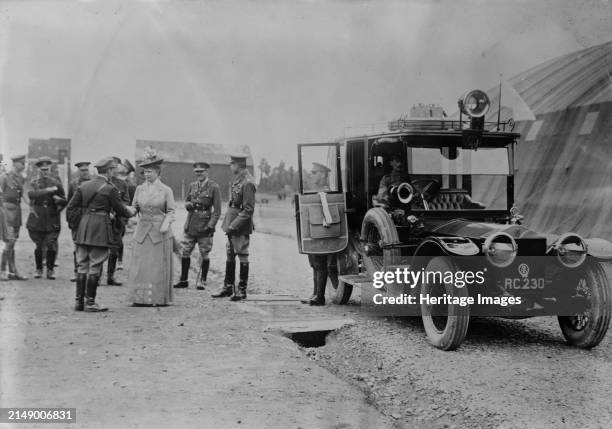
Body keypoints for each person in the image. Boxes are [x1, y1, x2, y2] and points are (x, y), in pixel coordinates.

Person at [67, 157, 137, 311]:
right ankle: (90, 303)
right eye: (113, 169)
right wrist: (133, 211)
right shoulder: (110, 188)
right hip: (99, 228)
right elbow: (122, 210)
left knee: (82, 265)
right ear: (110, 171)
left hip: (83, 228)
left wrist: (76, 226)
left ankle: (79, 303)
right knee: (95, 265)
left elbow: (70, 208)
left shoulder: (84, 186)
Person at [127, 155, 176, 306]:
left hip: (159, 233)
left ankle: (157, 299)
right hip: (142, 232)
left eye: (150, 172)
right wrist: (125, 210)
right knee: (140, 266)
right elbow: (134, 207)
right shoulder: (139, 189)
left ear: (157, 172)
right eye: (145, 172)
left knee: (156, 267)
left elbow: (171, 211)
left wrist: (165, 224)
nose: (147, 174)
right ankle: (139, 299)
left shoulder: (166, 190)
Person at [212, 154, 256, 301]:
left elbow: (248, 209)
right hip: (232, 223)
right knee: (230, 252)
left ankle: (242, 290)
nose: (230, 166)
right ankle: (228, 287)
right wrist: (228, 224)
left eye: (232, 164)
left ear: (239, 165)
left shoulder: (247, 182)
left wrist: (234, 225)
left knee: (242, 253)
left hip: (240, 225)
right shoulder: (238, 180)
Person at [174, 162, 221, 290]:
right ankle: (183, 280)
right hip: (191, 224)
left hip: (205, 226)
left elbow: (217, 211)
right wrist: (188, 204)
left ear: (207, 172)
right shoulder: (192, 185)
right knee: (185, 251)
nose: (199, 174)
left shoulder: (213, 187)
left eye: (201, 171)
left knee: (204, 253)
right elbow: (187, 201)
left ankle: (202, 281)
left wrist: (210, 226)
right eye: (196, 172)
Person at [301, 161, 338, 306]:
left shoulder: (326, 191)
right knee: (315, 262)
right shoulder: (318, 190)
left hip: (323, 231)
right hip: (316, 230)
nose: (312, 175)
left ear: (322, 174)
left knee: (320, 262)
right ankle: (315, 293)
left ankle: (319, 296)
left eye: (314, 172)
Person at [27, 156, 67, 279]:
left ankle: (50, 270)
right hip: (38, 216)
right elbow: (31, 194)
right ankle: (39, 269)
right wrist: (48, 190)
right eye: (42, 169)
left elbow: (64, 200)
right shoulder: (34, 182)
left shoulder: (56, 182)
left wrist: (58, 204)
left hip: (51, 216)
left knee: (51, 243)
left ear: (50, 168)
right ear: (38, 169)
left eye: (47, 169)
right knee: (39, 245)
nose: (45, 171)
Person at [102, 156, 130, 285]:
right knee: (100, 249)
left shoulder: (122, 184)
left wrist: (120, 217)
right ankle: (97, 277)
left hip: (116, 223)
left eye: (115, 167)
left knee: (114, 250)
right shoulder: (101, 182)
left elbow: (126, 202)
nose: (113, 169)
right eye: (111, 167)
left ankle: (110, 276)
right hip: (102, 221)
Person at [0, 155, 28, 281]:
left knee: (13, 241)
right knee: (9, 241)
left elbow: (23, 195)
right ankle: (2, 270)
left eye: (24, 163)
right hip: (7, 211)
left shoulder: (21, 178)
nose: (24, 165)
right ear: (15, 164)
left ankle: (12, 271)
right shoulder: (5, 177)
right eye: (22, 163)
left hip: (16, 212)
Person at [67, 161, 92, 282]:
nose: (85, 172)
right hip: (78, 219)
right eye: (82, 170)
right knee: (77, 247)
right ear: (78, 171)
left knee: (91, 246)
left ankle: (91, 273)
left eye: (86, 170)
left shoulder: (94, 182)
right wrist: (71, 221)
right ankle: (77, 272)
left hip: (91, 217)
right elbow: (69, 204)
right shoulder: (73, 184)